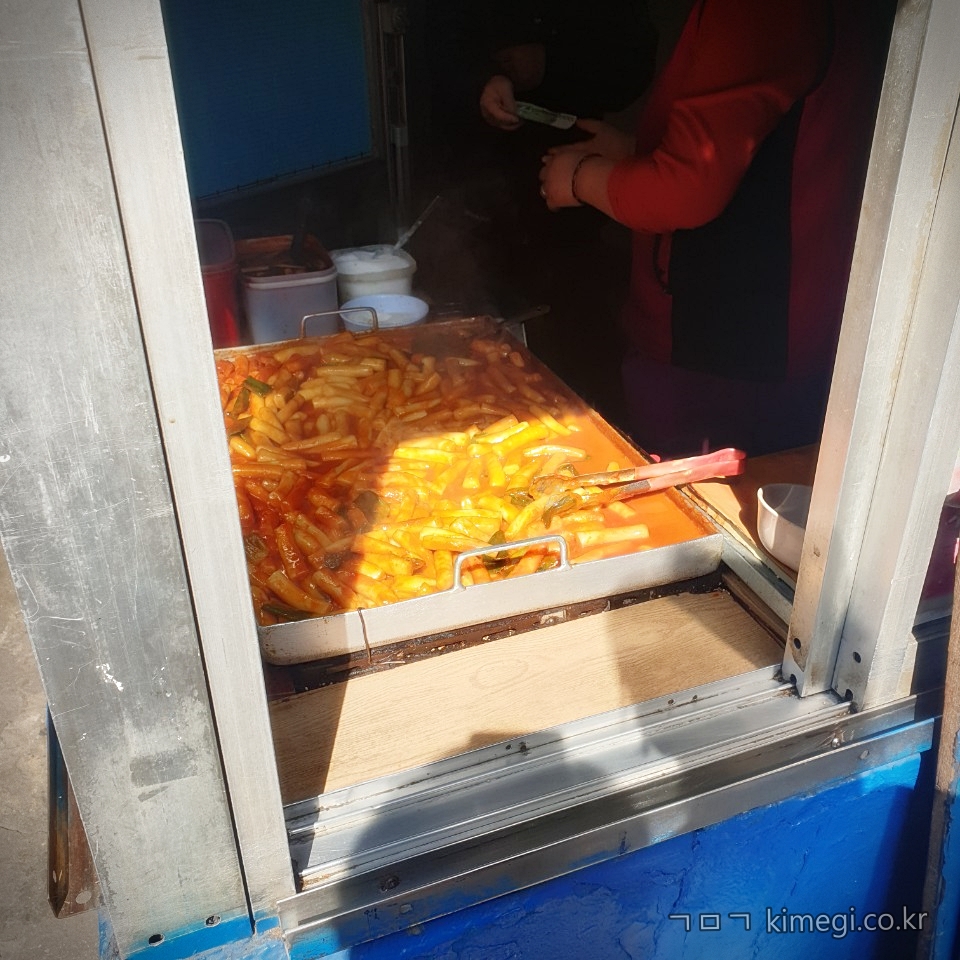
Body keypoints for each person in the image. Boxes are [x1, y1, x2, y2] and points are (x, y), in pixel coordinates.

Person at [525, 0, 895, 457]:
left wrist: (579, 178)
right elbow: (764, 141)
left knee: (696, 490)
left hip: (731, 342)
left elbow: (687, 188)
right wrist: (636, 153)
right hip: (788, 321)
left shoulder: (758, 9)